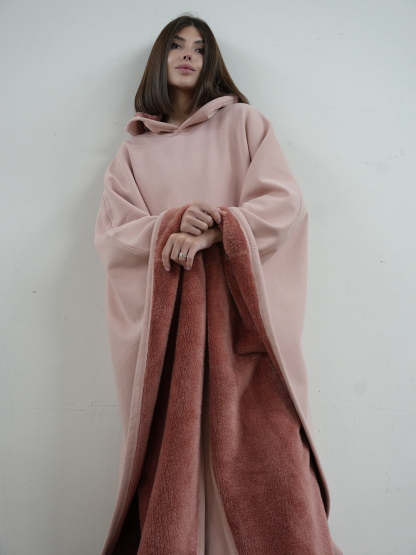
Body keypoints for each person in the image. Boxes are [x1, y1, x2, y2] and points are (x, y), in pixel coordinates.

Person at [94, 13, 343, 555]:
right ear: (158, 60)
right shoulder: (133, 153)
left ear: (212, 63)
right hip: (171, 337)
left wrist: (215, 230)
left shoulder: (245, 124)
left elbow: (283, 204)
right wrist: (170, 225)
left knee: (273, 453)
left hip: (241, 324)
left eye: (200, 48)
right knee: (176, 456)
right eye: (176, 45)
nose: (188, 55)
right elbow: (114, 236)